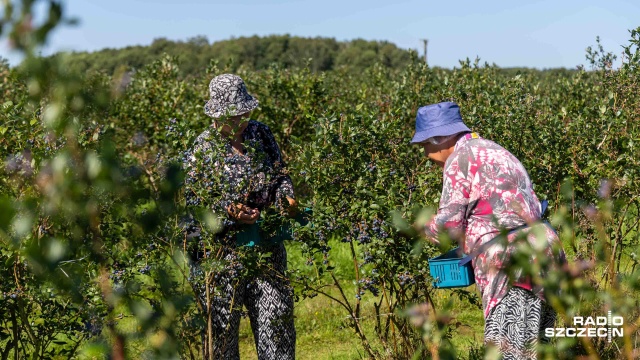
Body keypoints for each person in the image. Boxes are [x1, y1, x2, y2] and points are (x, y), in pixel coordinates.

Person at [412, 101, 566, 359]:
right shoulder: (497, 151)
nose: (426, 155)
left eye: (425, 146)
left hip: (510, 263)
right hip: (544, 252)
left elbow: (448, 227)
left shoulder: (458, 160)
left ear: (440, 138)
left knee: (508, 353)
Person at [183, 74, 297, 359]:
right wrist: (228, 210)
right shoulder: (204, 147)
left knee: (277, 327)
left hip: (265, 248)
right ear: (217, 114)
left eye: (244, 112)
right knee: (222, 339)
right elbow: (193, 201)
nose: (241, 119)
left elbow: (280, 175)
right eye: (233, 115)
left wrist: (286, 196)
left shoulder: (261, 134)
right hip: (222, 255)